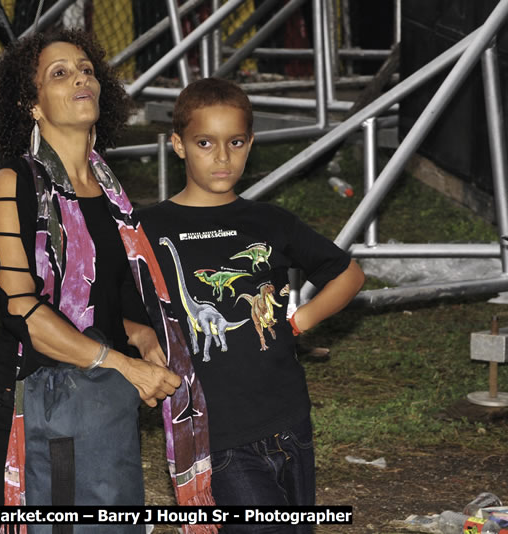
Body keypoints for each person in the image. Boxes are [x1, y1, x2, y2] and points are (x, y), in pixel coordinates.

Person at [0, 28, 219, 534]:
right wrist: (127, 368)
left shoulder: (113, 195)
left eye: (86, 69)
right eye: (59, 73)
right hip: (39, 405)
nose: (80, 78)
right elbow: (25, 312)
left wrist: (144, 335)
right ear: (32, 104)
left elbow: (110, 299)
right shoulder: (11, 183)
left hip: (103, 408)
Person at [138, 78, 366, 534]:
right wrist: (142, 341)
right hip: (216, 435)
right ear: (178, 145)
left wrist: (299, 322)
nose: (222, 157)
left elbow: (349, 274)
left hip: (288, 421)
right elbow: (110, 304)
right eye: (206, 143)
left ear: (250, 144)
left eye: (235, 142)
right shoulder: (147, 228)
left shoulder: (269, 221)